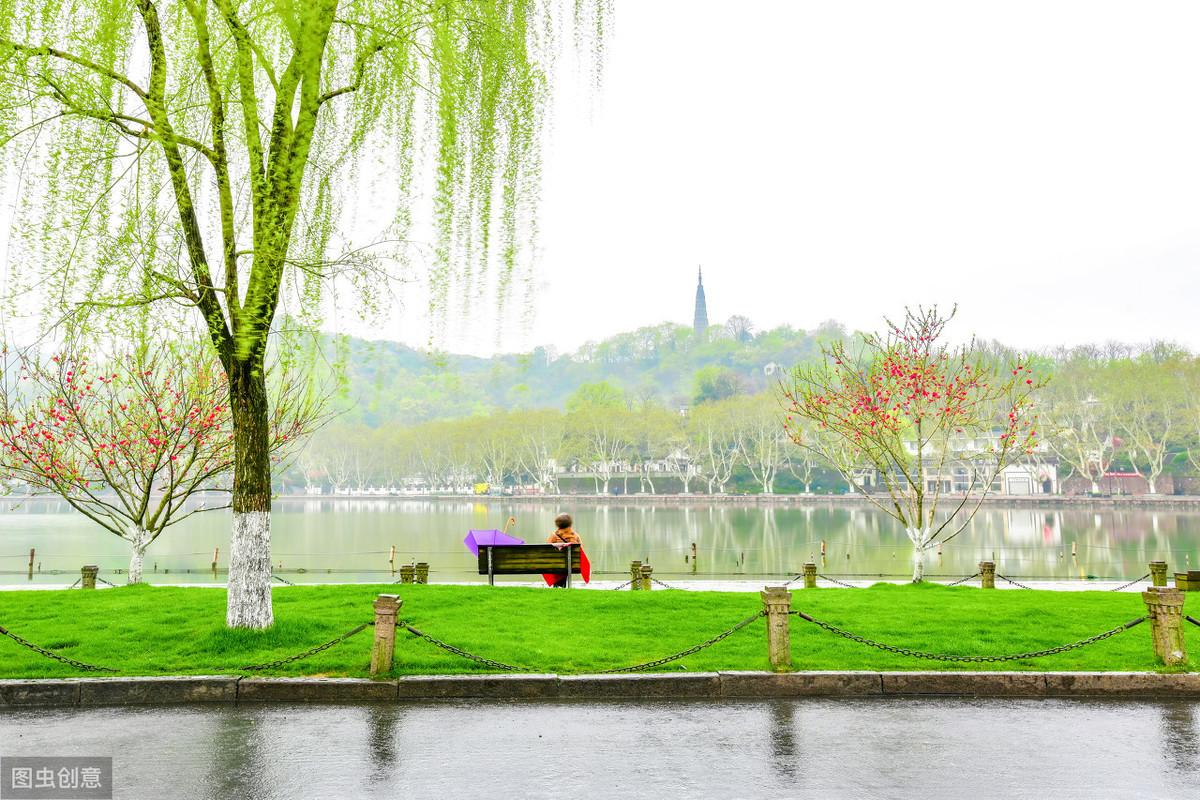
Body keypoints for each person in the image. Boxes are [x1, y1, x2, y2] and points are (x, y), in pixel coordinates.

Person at [544, 513, 589, 588]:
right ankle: (563, 585)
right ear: (570, 524)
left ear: (557, 525)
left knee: (558, 562)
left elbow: (547, 549)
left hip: (556, 563)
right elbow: (581, 548)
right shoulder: (575, 536)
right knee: (566, 563)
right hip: (572, 564)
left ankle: (557, 585)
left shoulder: (554, 536)